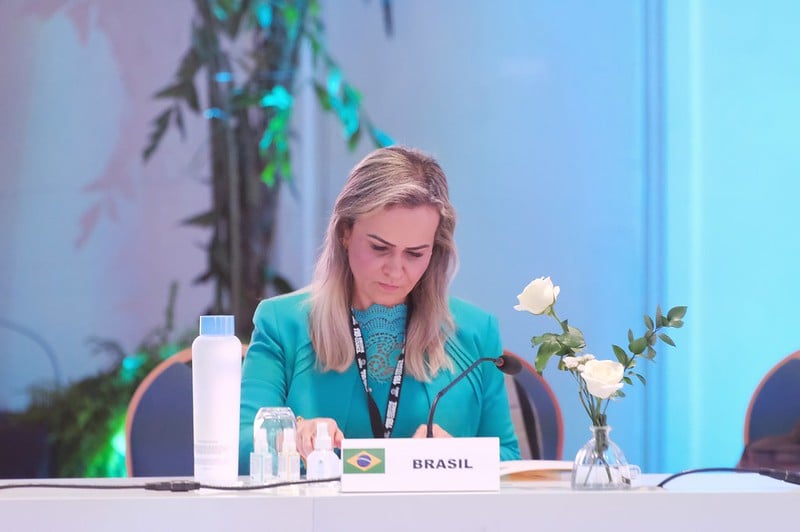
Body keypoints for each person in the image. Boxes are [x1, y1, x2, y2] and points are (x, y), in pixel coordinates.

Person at [238, 145, 520, 473]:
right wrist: (292, 435)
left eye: (415, 254)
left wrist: (456, 456)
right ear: (345, 232)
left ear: (435, 251)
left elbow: (511, 461)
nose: (396, 270)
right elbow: (240, 447)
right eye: (379, 248)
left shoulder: (476, 331)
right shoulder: (283, 323)